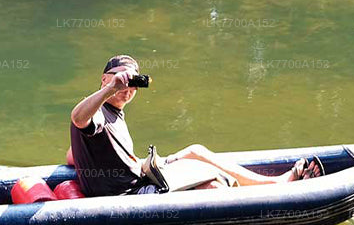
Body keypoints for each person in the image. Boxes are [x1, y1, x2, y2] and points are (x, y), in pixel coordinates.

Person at [68, 55, 322, 197]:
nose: (127, 89)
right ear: (104, 80)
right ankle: (276, 189)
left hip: (142, 174)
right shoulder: (99, 110)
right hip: (131, 197)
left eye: (133, 83)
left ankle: (273, 183)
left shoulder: (113, 113)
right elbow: (79, 119)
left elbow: (73, 154)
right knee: (214, 186)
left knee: (196, 151)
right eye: (121, 80)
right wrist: (112, 88)